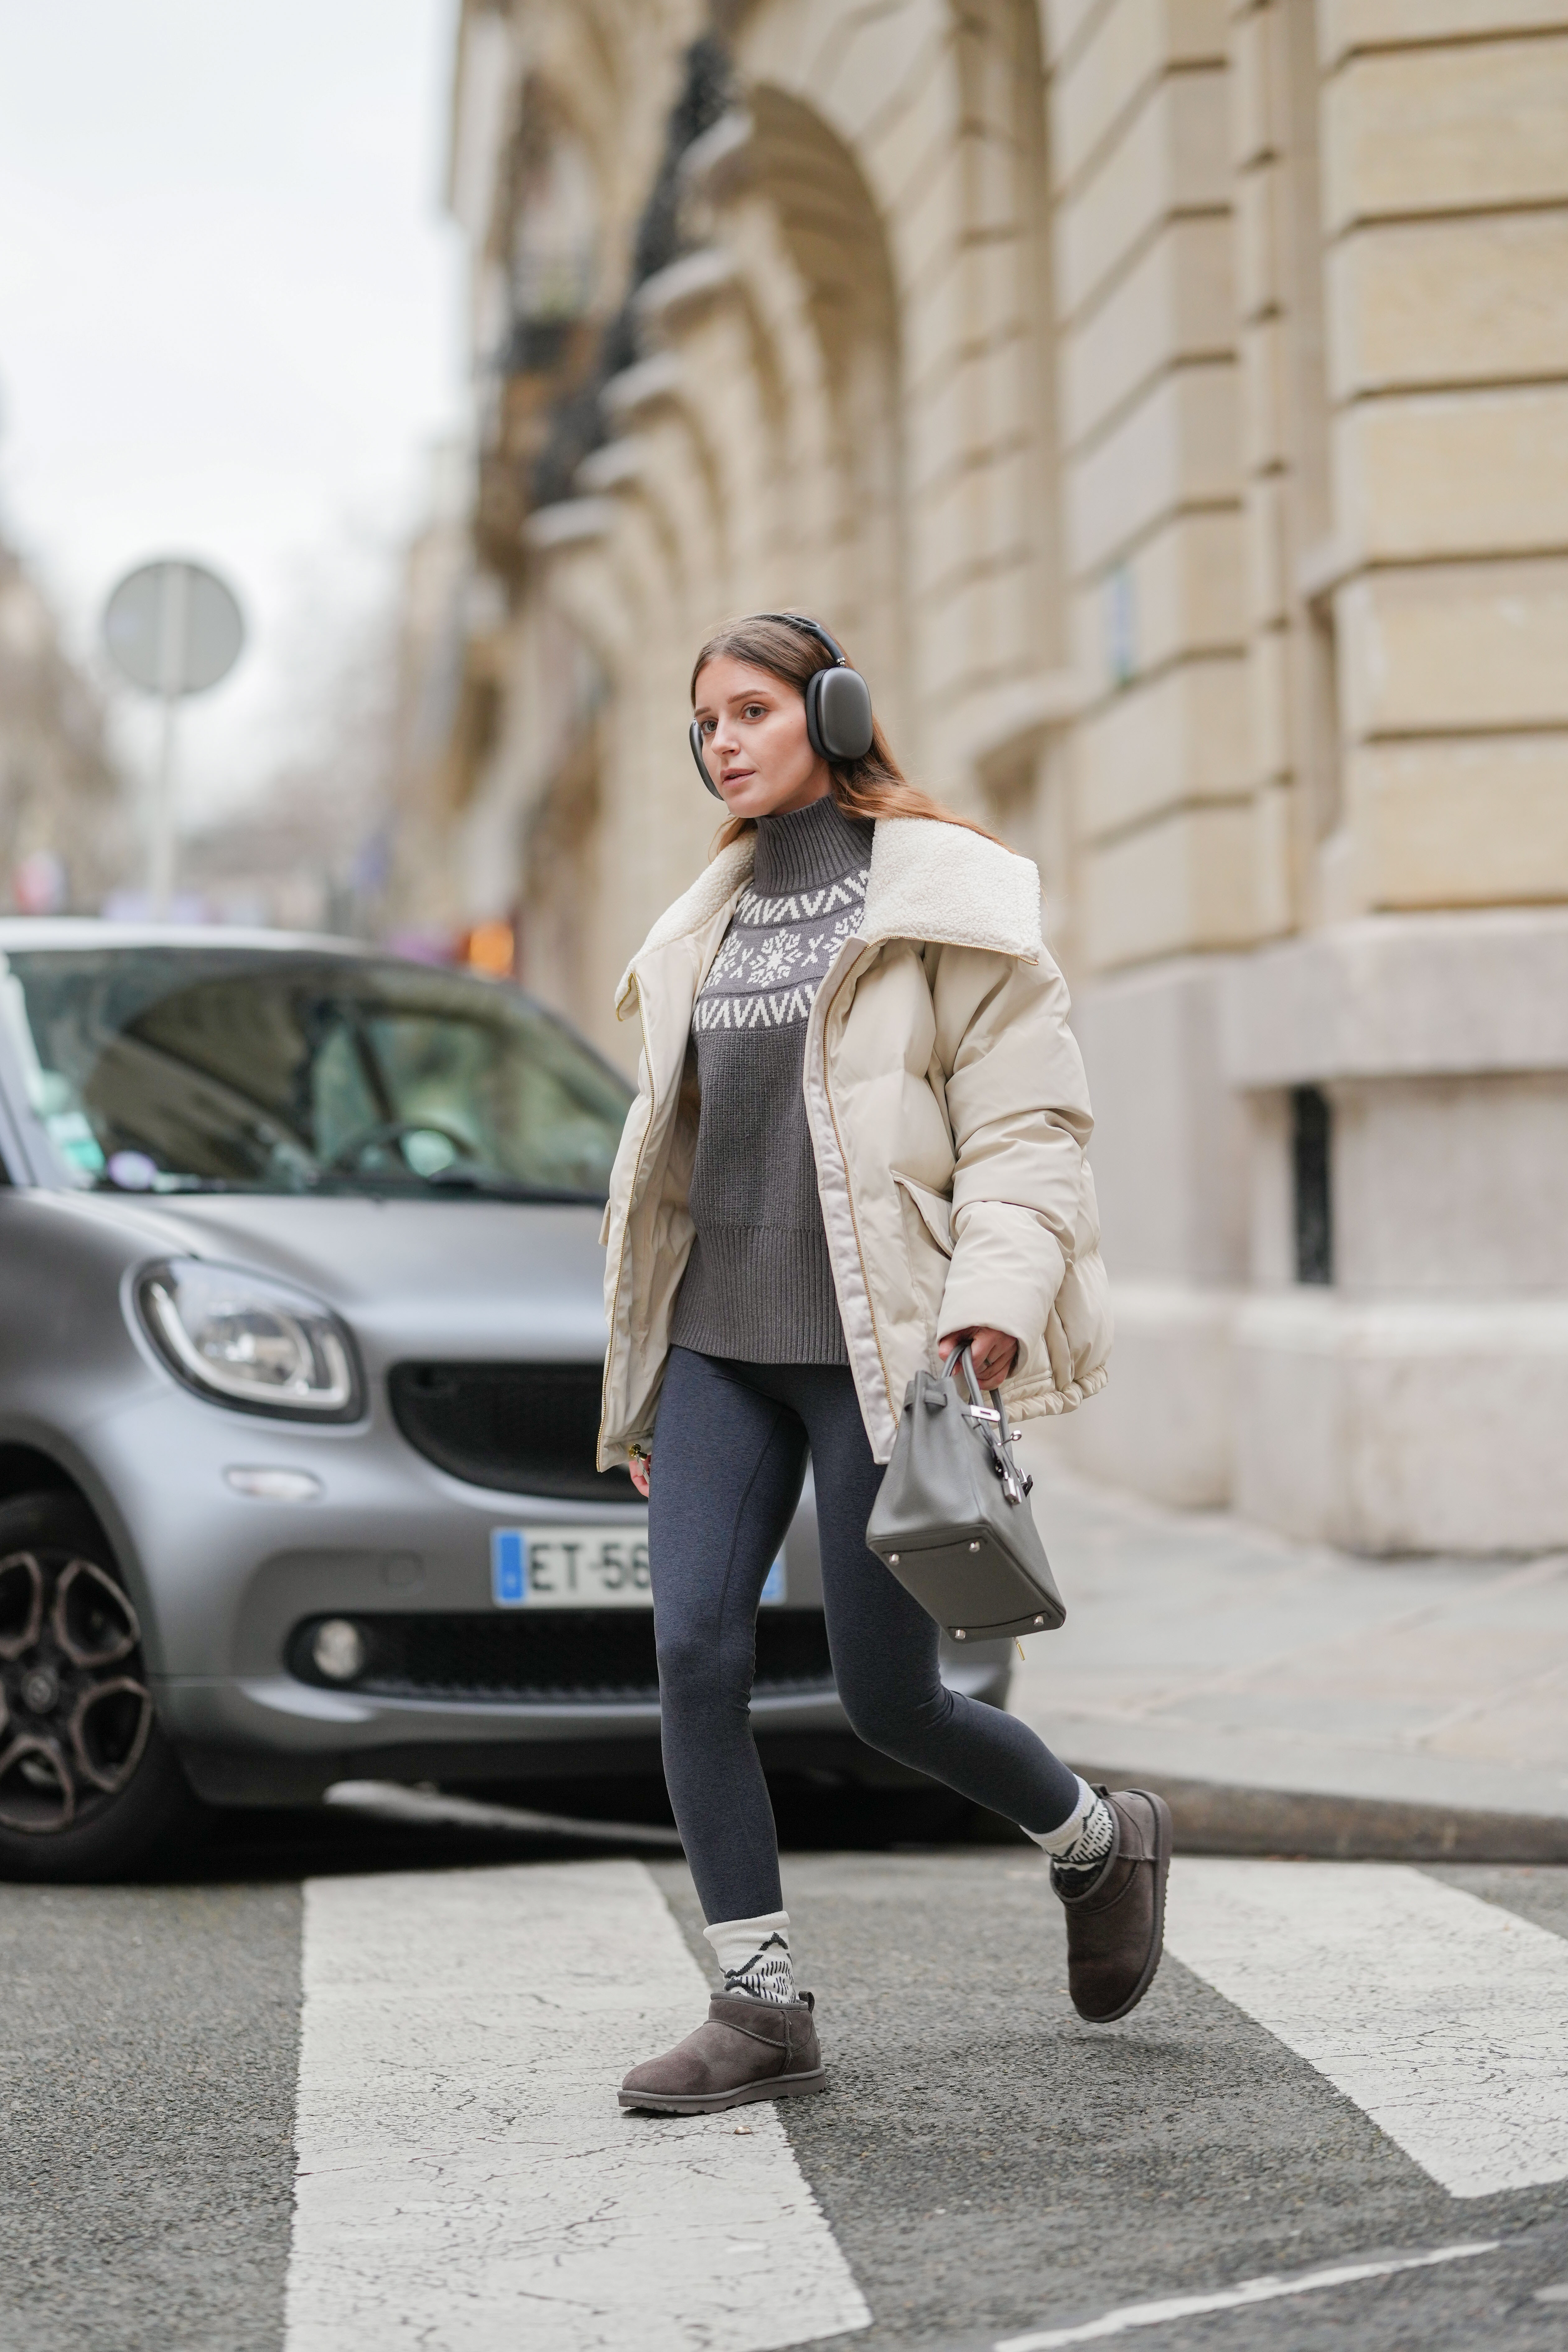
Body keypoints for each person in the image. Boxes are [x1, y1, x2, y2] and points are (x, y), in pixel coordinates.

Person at [598, 612, 1170, 2114]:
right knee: (693, 1657)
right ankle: (760, 2001)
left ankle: (1099, 1841)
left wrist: (993, 1300)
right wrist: (645, 1372)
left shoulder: (947, 895)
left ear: (832, 714)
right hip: (721, 1345)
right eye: (704, 720)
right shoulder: (697, 926)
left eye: (751, 711)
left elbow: (1028, 1126)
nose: (722, 740)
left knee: (889, 1699)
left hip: (880, 1351)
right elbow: (672, 1170)